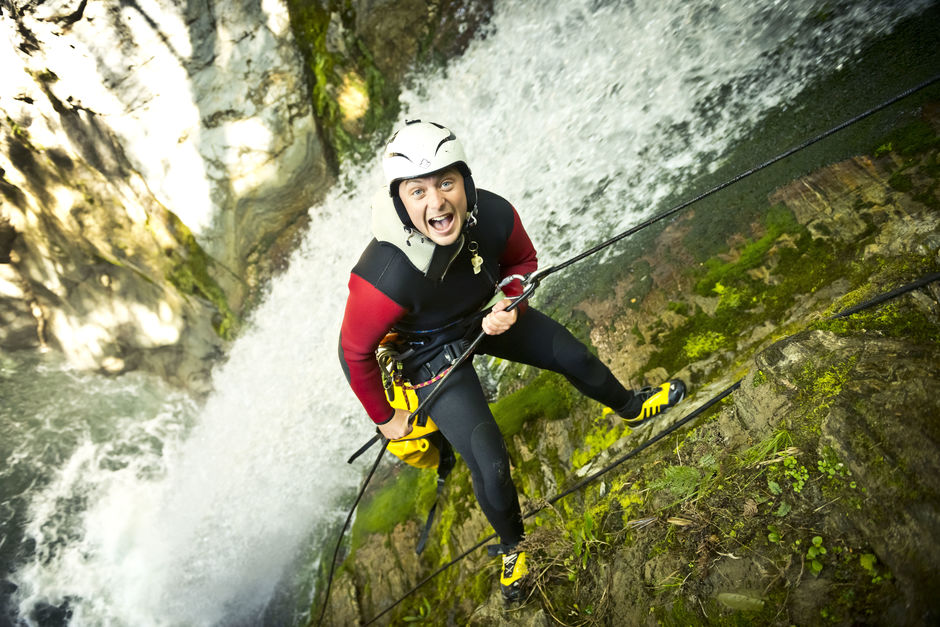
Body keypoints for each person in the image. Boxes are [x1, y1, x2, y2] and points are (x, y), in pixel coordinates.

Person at [338, 120, 686, 602]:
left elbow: (524, 262)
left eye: (446, 183)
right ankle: (513, 546)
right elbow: (353, 351)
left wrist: (509, 302)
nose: (436, 203)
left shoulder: (494, 214)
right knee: (489, 459)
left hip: (485, 313)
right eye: (418, 191)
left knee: (573, 355)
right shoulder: (384, 275)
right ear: (400, 201)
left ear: (465, 182)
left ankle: (630, 408)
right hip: (428, 352)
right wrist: (386, 417)